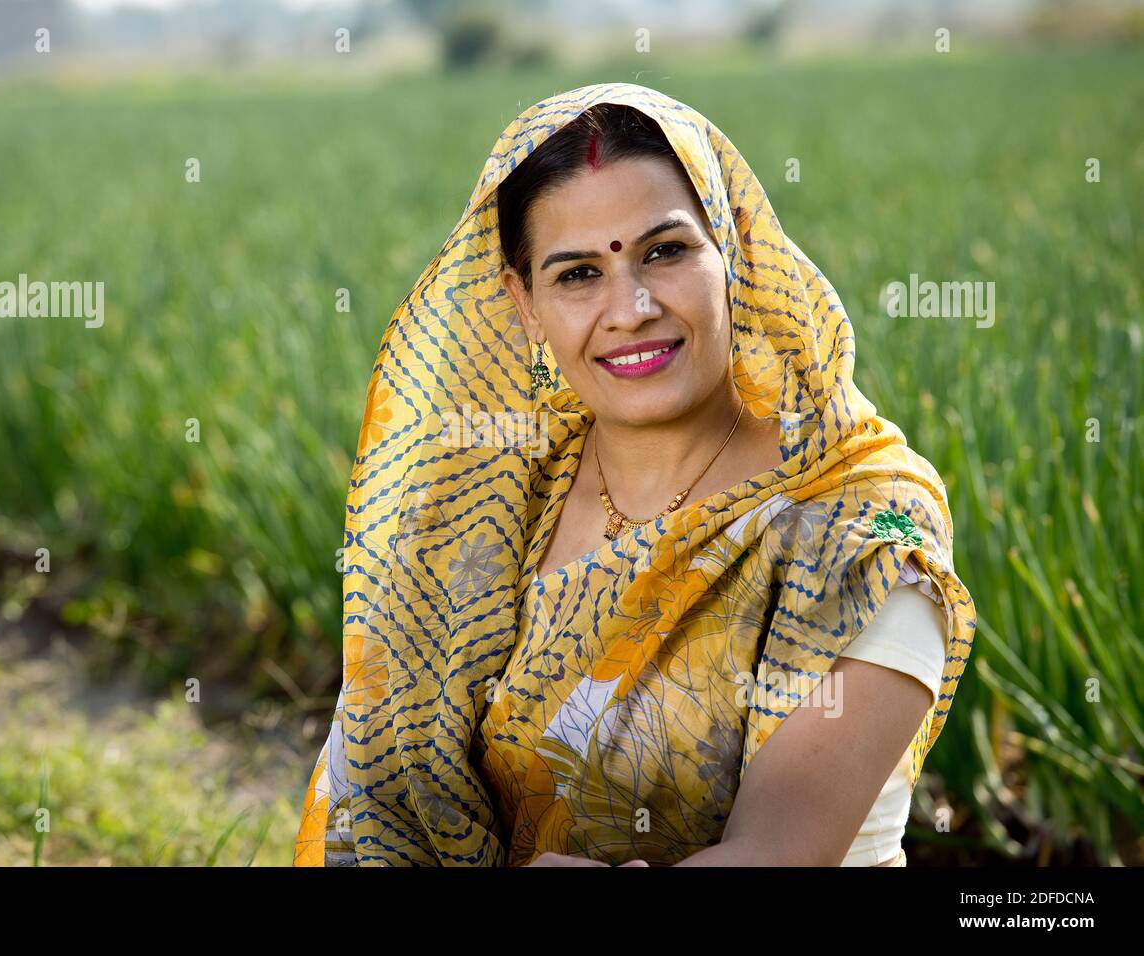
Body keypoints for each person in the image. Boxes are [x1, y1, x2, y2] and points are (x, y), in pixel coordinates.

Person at [293, 82, 976, 867]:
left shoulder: (858, 523)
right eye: (578, 274)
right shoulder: (496, 498)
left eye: (665, 252)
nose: (632, 308)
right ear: (523, 302)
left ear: (734, 252)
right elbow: (381, 787)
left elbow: (780, 853)